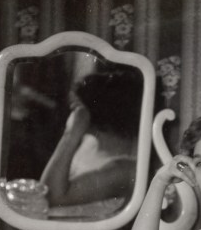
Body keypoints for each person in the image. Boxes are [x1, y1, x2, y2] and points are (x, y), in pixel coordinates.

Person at [40, 68, 141, 216]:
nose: (73, 110)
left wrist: (72, 133)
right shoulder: (89, 145)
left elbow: (51, 196)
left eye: (78, 106)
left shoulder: (125, 168)